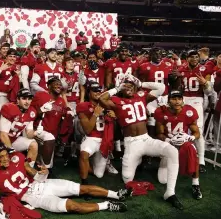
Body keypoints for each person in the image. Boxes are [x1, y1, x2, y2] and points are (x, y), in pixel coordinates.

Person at [98, 74, 183, 210]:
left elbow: (161, 87)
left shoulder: (142, 96)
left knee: (172, 150)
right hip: (131, 143)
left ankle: (170, 192)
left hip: (146, 139)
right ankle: (137, 161)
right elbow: (101, 98)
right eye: (126, 85)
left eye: (131, 85)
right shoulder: (116, 100)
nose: (129, 87)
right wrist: (117, 88)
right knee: (127, 179)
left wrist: (141, 83)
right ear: (121, 88)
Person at [0, 142, 132, 215]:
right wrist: (3, 206)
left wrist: (43, 172)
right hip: (33, 198)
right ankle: (107, 205)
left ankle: (117, 195)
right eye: (1, 157)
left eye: (6, 155)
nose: (6, 159)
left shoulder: (17, 157)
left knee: (81, 189)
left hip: (43, 184)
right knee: (74, 206)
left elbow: (35, 175)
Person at [155, 90, 202, 200]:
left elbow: (197, 132)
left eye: (179, 99)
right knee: (162, 180)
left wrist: (190, 137)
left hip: (183, 143)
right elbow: (159, 134)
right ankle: (176, 164)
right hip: (169, 145)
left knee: (192, 149)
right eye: (174, 99)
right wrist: (168, 140)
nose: (177, 102)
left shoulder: (188, 112)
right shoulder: (161, 112)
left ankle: (196, 184)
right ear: (168, 100)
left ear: (182, 100)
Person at [177, 50, 213, 173]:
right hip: (184, 99)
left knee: (198, 129)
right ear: (187, 58)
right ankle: (187, 155)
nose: (194, 59)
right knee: (183, 128)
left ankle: (201, 160)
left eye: (196, 57)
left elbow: (209, 92)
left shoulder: (204, 69)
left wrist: (206, 84)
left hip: (197, 99)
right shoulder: (181, 69)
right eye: (191, 57)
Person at [77, 82, 117, 191]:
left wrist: (115, 116)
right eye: (95, 90)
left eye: (100, 90)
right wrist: (95, 114)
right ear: (89, 92)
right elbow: (88, 129)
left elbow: (120, 126)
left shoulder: (108, 104)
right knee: (84, 153)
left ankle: (93, 164)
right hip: (91, 138)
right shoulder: (83, 106)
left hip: (105, 140)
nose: (98, 92)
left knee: (98, 174)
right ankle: (84, 182)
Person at [0, 88, 38, 166]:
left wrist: (35, 133)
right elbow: (2, 135)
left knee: (34, 144)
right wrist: (12, 151)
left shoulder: (32, 112)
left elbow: (29, 133)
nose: (27, 102)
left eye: (29, 99)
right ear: (18, 99)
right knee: (8, 162)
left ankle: (29, 169)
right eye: (24, 98)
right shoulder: (9, 108)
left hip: (13, 140)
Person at [31, 77, 67, 175]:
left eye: (60, 84)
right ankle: (44, 168)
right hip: (37, 130)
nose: (59, 85)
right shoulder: (40, 95)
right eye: (56, 83)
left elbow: (60, 121)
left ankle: (41, 163)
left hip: (51, 136)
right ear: (48, 86)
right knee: (47, 167)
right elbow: (29, 114)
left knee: (48, 163)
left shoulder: (61, 101)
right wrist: (40, 110)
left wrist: (59, 135)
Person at [138, 47, 174, 136]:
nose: (158, 56)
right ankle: (151, 140)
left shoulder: (169, 64)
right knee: (151, 119)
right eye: (156, 54)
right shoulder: (144, 66)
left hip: (164, 96)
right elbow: (141, 84)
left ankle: (164, 140)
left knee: (165, 119)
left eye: (160, 53)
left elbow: (172, 82)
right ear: (150, 55)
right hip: (151, 96)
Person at [0, 48, 21, 124]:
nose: (12, 58)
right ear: (6, 57)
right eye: (10, 56)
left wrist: (18, 77)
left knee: (7, 122)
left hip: (9, 98)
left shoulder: (16, 68)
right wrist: (0, 69)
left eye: (14, 56)